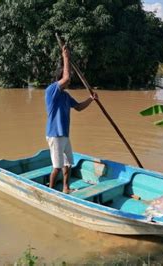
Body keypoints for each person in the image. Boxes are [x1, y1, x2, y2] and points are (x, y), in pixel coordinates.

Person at [46, 45, 97, 193]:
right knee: (57, 166)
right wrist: (66, 57)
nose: (69, 82)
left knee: (68, 163)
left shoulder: (66, 96)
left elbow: (79, 107)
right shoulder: (51, 91)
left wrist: (90, 99)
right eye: (66, 80)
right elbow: (66, 77)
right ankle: (50, 190)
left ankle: (66, 188)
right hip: (55, 135)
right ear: (60, 79)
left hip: (64, 135)